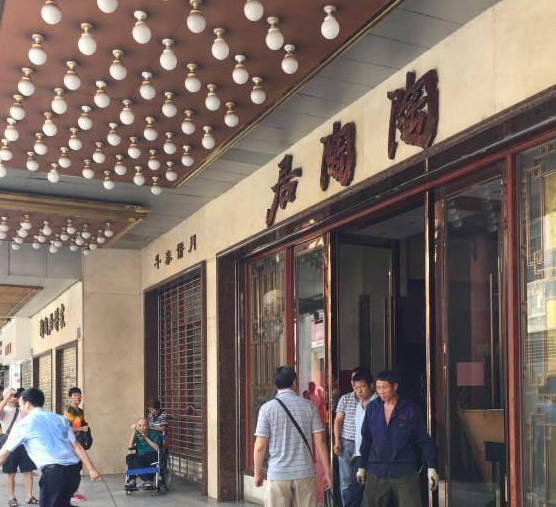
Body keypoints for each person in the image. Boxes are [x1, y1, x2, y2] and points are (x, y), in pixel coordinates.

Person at [0, 387, 101, 507]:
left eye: (20, 403)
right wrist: (91, 469)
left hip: (54, 474)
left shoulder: (24, 425)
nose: (19, 406)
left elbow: (4, 453)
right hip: (73, 473)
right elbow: (76, 446)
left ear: (27, 404)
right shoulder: (60, 419)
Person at [356, 371, 438, 507]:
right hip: (377, 470)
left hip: (404, 471)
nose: (381, 392)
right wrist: (361, 466)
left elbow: (423, 439)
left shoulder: (410, 409)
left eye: (385, 387)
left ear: (395, 386)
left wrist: (431, 467)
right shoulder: (372, 409)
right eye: (378, 388)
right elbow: (366, 440)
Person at [253, 365, 331, 507]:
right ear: (294, 383)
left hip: (278, 474)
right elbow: (320, 442)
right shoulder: (309, 406)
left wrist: (257, 472)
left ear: (276, 384)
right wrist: (327, 472)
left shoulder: (267, 409)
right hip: (304, 472)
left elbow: (260, 446)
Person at [344, 369, 377, 507]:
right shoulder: (359, 405)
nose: (359, 391)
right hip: (359, 456)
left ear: (371, 385)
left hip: (374, 458)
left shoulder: (379, 405)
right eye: (356, 388)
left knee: (370, 496)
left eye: (362, 387)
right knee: (353, 494)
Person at [0, 387, 38, 507]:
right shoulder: (4, 409)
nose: (13, 395)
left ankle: (29, 496)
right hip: (9, 443)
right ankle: (12, 498)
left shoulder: (22, 409)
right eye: (10, 394)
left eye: (14, 393)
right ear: (5, 396)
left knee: (28, 470)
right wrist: (5, 399)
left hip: (24, 443)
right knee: (10, 472)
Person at [333, 366, 365, 505]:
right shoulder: (345, 398)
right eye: (353, 379)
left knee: (363, 479)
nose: (354, 383)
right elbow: (338, 420)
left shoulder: (372, 399)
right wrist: (336, 441)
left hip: (364, 444)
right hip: (347, 443)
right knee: (345, 480)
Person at [63, 387, 89, 502]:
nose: (78, 397)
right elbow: (66, 429)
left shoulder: (79, 411)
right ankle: (73, 492)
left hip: (78, 442)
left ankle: (73, 491)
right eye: (74, 395)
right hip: (71, 443)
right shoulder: (69, 411)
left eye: (79, 395)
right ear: (70, 398)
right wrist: (82, 428)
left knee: (77, 467)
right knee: (74, 468)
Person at [125, 418, 163, 490]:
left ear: (147, 426)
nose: (142, 427)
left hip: (151, 454)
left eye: (144, 425)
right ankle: (132, 480)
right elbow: (130, 447)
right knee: (129, 457)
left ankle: (147, 481)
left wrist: (145, 438)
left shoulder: (154, 433)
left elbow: (157, 449)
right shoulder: (137, 433)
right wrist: (133, 431)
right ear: (137, 426)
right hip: (140, 455)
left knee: (136, 460)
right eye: (140, 425)